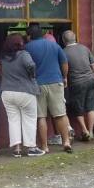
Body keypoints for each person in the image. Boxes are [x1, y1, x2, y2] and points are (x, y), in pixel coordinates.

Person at [25, 23, 73, 153]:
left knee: (41, 117)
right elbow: (64, 63)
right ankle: (66, 142)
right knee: (60, 114)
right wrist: (64, 77)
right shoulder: (54, 45)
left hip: (37, 84)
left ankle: (45, 146)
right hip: (55, 81)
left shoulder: (27, 48)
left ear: (29, 36)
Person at [0, 33, 45, 157]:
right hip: (25, 91)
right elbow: (31, 66)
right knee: (29, 119)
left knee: (13, 120)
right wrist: (32, 75)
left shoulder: (4, 57)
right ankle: (31, 148)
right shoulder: (24, 55)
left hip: (7, 92)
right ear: (19, 43)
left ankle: (17, 149)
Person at [62, 30, 94, 141]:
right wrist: (93, 76)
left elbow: (64, 68)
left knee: (78, 109)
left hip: (77, 82)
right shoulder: (84, 48)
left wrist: (65, 78)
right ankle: (91, 132)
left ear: (64, 41)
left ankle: (84, 130)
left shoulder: (64, 52)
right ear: (75, 38)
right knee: (90, 107)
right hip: (90, 80)